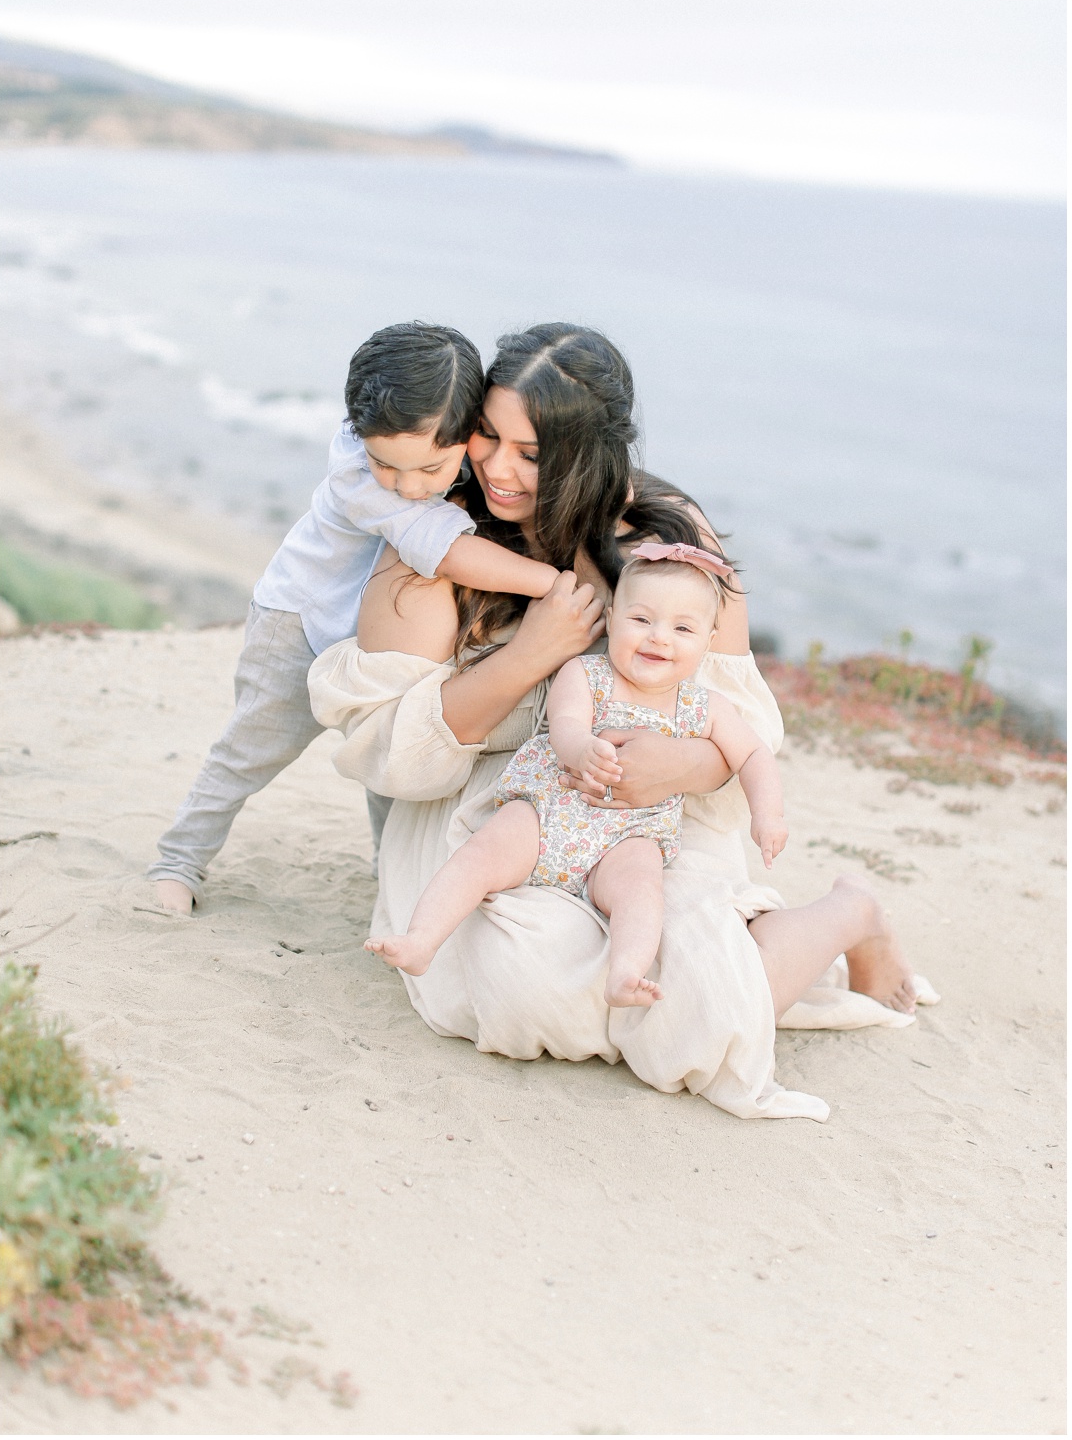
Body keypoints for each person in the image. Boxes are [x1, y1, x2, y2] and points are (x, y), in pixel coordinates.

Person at [309, 322, 929, 1122]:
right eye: (488, 437)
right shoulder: (436, 547)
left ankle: (852, 913)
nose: (497, 467)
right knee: (523, 981)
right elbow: (392, 759)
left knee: (697, 979)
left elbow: (740, 726)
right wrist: (530, 655)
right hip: (491, 810)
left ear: (589, 452)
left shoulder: (669, 543)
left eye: (531, 453)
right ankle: (731, 967)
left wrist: (683, 766)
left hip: (653, 813)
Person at [147, 321, 562, 915]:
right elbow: (440, 548)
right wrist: (555, 586)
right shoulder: (356, 476)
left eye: (429, 469)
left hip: (377, 644)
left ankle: (387, 872)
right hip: (302, 624)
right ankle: (179, 861)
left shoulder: (465, 455)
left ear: (471, 432)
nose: (407, 486)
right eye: (386, 464)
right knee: (250, 750)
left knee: (389, 758)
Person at [364, 542, 788, 1007]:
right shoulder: (588, 673)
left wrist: (767, 815)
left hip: (630, 834)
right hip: (549, 812)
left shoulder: (705, 706)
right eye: (641, 620)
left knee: (641, 891)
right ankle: (422, 940)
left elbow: (752, 756)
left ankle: (626, 974)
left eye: (682, 628)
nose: (659, 638)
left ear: (709, 641)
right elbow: (565, 725)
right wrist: (582, 748)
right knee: (482, 853)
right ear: (613, 616)